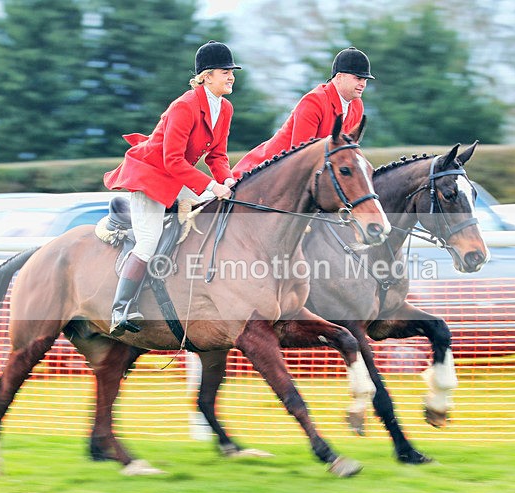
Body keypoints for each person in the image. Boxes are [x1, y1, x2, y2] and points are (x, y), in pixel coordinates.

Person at [103, 40, 240, 336]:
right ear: (205, 76)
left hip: (177, 177)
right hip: (150, 176)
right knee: (148, 241)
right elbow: (172, 159)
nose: (231, 76)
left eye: (231, 71)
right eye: (224, 71)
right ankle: (120, 308)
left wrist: (226, 180)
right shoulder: (184, 106)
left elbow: (217, 156)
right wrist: (210, 185)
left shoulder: (225, 108)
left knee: (216, 209)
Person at [231, 46, 374, 179]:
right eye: (358, 78)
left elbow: (345, 151)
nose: (363, 84)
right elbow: (301, 155)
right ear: (340, 77)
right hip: (267, 171)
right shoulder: (313, 101)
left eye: (365, 79)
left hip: (309, 173)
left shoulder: (357, 105)